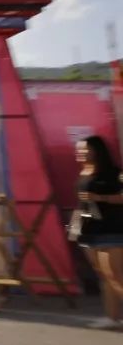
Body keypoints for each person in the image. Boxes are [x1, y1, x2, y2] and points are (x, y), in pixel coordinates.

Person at [74, 135, 123, 327]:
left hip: (111, 230)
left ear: (96, 150)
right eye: (78, 149)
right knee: (103, 276)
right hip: (89, 231)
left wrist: (101, 197)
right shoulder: (84, 172)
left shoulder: (115, 173)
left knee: (115, 275)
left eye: (84, 149)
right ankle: (112, 318)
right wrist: (75, 227)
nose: (80, 152)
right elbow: (82, 204)